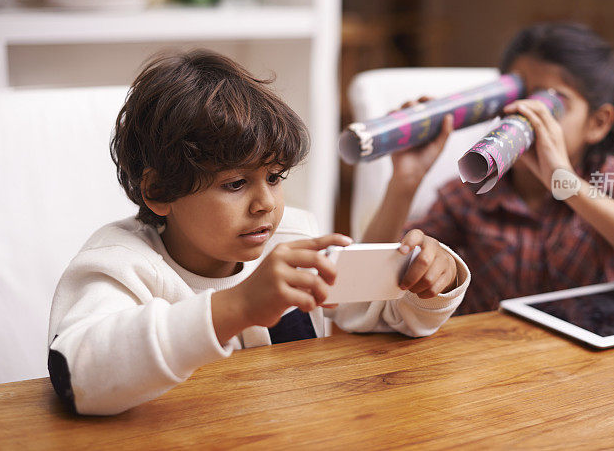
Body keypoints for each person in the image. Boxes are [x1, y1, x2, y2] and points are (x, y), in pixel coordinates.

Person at [47, 50, 469, 415]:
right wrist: (238, 306)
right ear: (159, 191)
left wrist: (432, 278)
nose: (266, 203)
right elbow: (77, 374)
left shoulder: (290, 236)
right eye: (235, 184)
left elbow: (378, 314)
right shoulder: (121, 264)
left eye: (275, 176)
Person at [363, 23, 614, 315]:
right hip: (501, 362)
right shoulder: (471, 196)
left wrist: (567, 184)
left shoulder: (612, 179)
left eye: (552, 105)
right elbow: (369, 283)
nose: (527, 115)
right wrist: (405, 181)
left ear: (597, 124)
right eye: (519, 97)